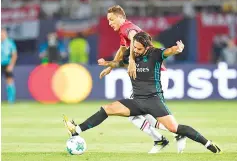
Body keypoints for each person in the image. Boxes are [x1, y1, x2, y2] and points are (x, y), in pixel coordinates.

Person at [63, 32, 221, 153]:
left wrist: (177, 49)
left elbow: (169, 51)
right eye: (134, 48)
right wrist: (108, 63)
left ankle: (207, 143)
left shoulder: (156, 54)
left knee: (174, 128)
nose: (136, 51)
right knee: (107, 109)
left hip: (154, 100)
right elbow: (120, 62)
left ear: (147, 47)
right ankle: (77, 130)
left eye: (139, 49)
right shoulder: (131, 55)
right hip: (137, 101)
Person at [99, 5, 186, 153]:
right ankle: (168, 136)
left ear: (120, 17)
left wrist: (132, 62)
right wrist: (111, 66)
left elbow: (134, 39)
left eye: (111, 19)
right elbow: (122, 50)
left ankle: (168, 136)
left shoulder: (127, 28)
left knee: (136, 114)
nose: (109, 23)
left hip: (154, 75)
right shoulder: (123, 30)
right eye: (108, 20)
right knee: (138, 114)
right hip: (151, 75)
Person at [1, 28, 17, 104]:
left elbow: (14, 55)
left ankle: (11, 100)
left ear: (6, 34)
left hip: (7, 64)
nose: (2, 35)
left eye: (3, 33)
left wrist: (11, 65)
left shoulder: (10, 43)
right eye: (1, 33)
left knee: (9, 80)